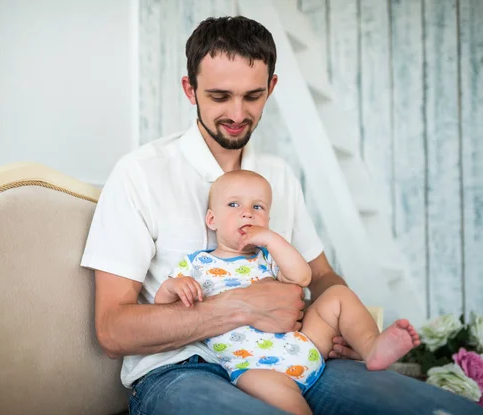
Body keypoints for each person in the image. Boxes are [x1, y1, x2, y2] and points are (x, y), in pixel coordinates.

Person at [81, 15, 483, 415]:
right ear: (191, 90)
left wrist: (340, 328)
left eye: (252, 96)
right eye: (220, 96)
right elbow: (112, 329)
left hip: (290, 356)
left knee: (432, 408)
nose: (238, 113)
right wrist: (244, 306)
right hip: (181, 370)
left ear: (271, 87)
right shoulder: (141, 172)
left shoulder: (278, 175)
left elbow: (322, 276)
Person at [154, 169, 420, 415]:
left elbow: (302, 277)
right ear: (212, 219)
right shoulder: (197, 264)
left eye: (257, 207)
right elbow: (162, 309)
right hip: (253, 367)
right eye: (234, 205)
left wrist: (271, 240)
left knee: (338, 296)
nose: (247, 213)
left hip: (304, 341)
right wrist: (171, 287)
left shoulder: (268, 256)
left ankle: (371, 346)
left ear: (267, 220)